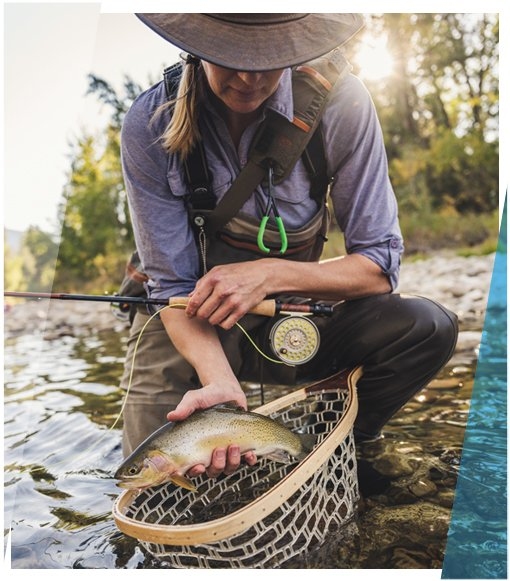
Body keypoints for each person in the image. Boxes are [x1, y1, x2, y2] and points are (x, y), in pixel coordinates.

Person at [119, 13, 458, 484]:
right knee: (151, 473)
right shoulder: (150, 122)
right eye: (231, 57)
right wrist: (219, 385)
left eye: (270, 58)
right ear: (198, 45)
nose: (249, 77)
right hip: (189, 323)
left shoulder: (341, 102)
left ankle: (342, 450)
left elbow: (379, 265)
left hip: (287, 318)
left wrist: (270, 274)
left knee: (426, 326)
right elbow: (170, 287)